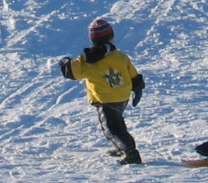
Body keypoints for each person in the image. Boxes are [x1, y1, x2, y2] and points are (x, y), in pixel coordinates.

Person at [57, 17, 144, 165]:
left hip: (105, 99)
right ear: (111, 38)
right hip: (122, 96)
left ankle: (131, 153)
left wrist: (64, 62)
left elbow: (72, 72)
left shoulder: (87, 60)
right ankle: (122, 147)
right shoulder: (120, 56)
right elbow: (133, 73)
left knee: (111, 129)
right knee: (118, 123)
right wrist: (138, 88)